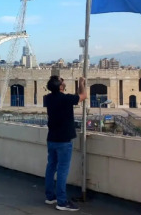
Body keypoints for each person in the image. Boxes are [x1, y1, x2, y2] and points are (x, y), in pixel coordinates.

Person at [43, 75, 86, 211]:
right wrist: (81, 83)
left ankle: (50, 197)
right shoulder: (65, 99)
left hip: (52, 139)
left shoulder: (48, 99)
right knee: (62, 170)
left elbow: (74, 97)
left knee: (51, 167)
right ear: (60, 86)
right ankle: (61, 202)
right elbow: (83, 95)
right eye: (62, 81)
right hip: (64, 141)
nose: (64, 81)